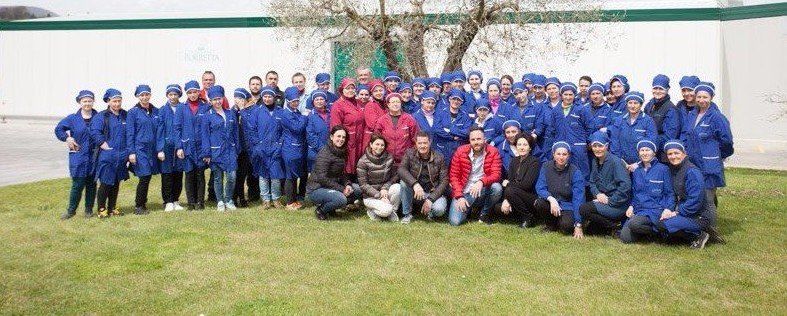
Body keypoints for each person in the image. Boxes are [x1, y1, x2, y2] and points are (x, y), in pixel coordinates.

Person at [681, 82, 733, 232]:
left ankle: (711, 230)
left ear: (711, 97)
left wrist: (717, 156)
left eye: (705, 97)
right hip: (693, 163)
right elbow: (686, 135)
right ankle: (699, 225)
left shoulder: (716, 117)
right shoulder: (692, 115)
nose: (701, 100)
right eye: (699, 96)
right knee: (696, 195)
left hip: (709, 166)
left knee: (708, 199)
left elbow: (727, 142)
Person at [663, 140, 717, 249]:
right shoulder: (675, 170)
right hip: (687, 212)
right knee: (665, 233)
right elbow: (673, 194)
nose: (673, 156)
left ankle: (700, 235)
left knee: (665, 225)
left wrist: (677, 213)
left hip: (699, 215)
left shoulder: (692, 171)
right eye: (670, 154)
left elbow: (696, 200)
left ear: (684, 153)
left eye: (676, 153)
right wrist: (668, 209)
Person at [619, 140, 674, 243]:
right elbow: (635, 193)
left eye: (647, 150)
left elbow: (669, 193)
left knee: (634, 224)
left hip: (656, 210)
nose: (644, 153)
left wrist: (668, 209)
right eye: (642, 150)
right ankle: (650, 234)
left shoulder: (663, 169)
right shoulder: (637, 171)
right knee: (625, 238)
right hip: (640, 209)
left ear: (654, 152)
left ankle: (658, 231)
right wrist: (631, 206)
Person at [55, 90, 98, 219]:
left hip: (94, 156)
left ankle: (88, 210)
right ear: (80, 102)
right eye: (84, 101)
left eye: (90, 101)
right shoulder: (72, 118)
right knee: (77, 185)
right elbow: (59, 129)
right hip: (78, 156)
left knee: (92, 185)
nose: (87, 103)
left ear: (93, 102)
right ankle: (71, 211)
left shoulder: (99, 117)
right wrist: (67, 138)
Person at [447, 127, 503, 226]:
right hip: (464, 191)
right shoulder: (460, 151)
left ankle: (484, 214)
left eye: (479, 139)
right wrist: (459, 196)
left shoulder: (493, 151)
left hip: (482, 189)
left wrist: (481, 182)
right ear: (469, 140)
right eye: (473, 139)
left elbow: (496, 174)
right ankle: (468, 209)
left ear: (484, 139)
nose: (476, 142)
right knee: (455, 222)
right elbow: (454, 176)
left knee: (496, 188)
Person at [579, 131, 631, 235]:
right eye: (594, 146)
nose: (597, 149)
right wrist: (598, 194)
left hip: (617, 204)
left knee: (584, 209)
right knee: (591, 231)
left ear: (606, 146)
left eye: (600, 146)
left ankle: (615, 226)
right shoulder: (595, 160)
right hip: (602, 199)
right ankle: (609, 226)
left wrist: (610, 200)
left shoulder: (615, 162)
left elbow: (626, 185)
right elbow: (592, 182)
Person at [306, 125, 362, 220]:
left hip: (331, 186)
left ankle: (331, 208)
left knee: (357, 189)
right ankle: (321, 210)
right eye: (338, 136)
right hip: (317, 188)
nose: (341, 139)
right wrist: (341, 189)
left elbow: (341, 173)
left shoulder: (341, 152)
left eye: (343, 137)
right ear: (332, 137)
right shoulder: (325, 153)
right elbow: (322, 178)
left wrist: (347, 184)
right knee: (341, 199)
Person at [91, 88, 130, 218]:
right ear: (108, 101)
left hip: (122, 155)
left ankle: (112, 207)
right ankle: (101, 208)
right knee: (106, 182)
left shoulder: (125, 115)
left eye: (119, 101)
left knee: (116, 182)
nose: (117, 104)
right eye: (114, 101)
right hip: (108, 155)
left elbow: (130, 133)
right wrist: (102, 143)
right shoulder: (102, 116)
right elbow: (95, 131)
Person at [534, 142, 586, 237]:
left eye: (564, 154)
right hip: (551, 203)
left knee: (567, 228)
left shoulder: (575, 172)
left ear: (569, 156)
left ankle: (563, 221)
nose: (561, 157)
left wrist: (578, 223)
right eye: (558, 154)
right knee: (540, 203)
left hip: (567, 205)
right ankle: (550, 225)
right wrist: (551, 198)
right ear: (553, 154)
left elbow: (579, 198)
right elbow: (540, 187)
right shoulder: (546, 167)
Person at [201, 85, 240, 211]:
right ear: (210, 101)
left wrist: (237, 148)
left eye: (219, 99)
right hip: (216, 151)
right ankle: (220, 201)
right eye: (214, 99)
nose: (217, 101)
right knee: (218, 178)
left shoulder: (230, 114)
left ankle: (228, 199)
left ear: (223, 99)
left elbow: (236, 133)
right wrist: (206, 153)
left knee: (232, 176)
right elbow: (205, 136)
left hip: (230, 151)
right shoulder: (207, 116)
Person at [398, 132, 449, 224]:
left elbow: (444, 181)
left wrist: (431, 199)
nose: (422, 146)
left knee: (439, 210)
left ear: (430, 142)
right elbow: (401, 169)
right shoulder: (409, 154)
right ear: (416, 144)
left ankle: (431, 212)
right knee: (403, 183)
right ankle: (407, 214)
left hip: (432, 193)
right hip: (415, 193)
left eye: (425, 143)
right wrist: (415, 184)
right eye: (420, 143)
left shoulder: (439, 157)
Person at [545, 82, 594, 179]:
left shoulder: (581, 109)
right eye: (565, 94)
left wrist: (585, 142)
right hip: (562, 148)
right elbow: (551, 129)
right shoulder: (555, 111)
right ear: (561, 95)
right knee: (563, 174)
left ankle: (582, 193)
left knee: (580, 173)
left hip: (578, 148)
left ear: (574, 95)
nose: (568, 97)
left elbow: (590, 127)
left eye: (570, 94)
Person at [175, 80, 210, 210]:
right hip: (187, 146)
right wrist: (179, 146)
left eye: (195, 92)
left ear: (198, 92)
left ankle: (200, 202)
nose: (193, 94)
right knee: (189, 174)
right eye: (190, 92)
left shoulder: (205, 107)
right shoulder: (181, 108)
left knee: (200, 174)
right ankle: (191, 202)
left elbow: (208, 128)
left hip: (201, 146)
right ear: (187, 94)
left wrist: (207, 149)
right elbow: (177, 128)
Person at [126, 84, 160, 215]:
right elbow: (130, 133)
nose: (144, 97)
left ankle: (143, 204)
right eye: (142, 95)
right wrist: (131, 152)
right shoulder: (133, 112)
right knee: (144, 176)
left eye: (147, 94)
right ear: (137, 96)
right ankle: (139, 206)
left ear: (150, 95)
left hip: (152, 150)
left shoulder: (156, 111)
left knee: (148, 176)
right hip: (140, 149)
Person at [500, 133, 541, 228]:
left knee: (510, 190)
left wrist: (509, 185)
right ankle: (519, 213)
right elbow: (510, 179)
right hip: (515, 194)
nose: (522, 147)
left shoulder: (535, 161)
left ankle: (528, 217)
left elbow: (527, 185)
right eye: (519, 145)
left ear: (530, 147)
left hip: (531, 197)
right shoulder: (514, 161)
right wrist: (506, 199)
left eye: (525, 145)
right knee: (499, 208)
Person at [357, 133, 401, 221]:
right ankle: (373, 211)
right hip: (370, 196)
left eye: (382, 145)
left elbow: (395, 176)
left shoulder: (389, 158)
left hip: (385, 192)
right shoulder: (363, 161)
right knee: (386, 210)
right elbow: (363, 185)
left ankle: (393, 211)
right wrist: (379, 196)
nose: (380, 147)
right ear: (371, 144)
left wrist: (385, 187)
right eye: (377, 144)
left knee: (398, 187)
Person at [609, 91, 657, 170]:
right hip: (621, 164)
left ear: (641, 105)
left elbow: (652, 143)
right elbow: (614, 142)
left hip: (641, 165)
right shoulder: (619, 120)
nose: (632, 106)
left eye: (636, 103)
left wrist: (638, 163)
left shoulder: (648, 121)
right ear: (626, 104)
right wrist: (621, 161)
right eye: (630, 103)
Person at [255, 85, 285, 209]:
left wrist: (280, 144)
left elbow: (285, 130)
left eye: (270, 96)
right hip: (261, 148)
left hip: (276, 148)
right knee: (263, 176)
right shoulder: (257, 111)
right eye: (265, 96)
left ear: (274, 97)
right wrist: (257, 146)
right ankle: (266, 199)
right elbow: (252, 130)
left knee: (275, 176)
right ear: (262, 98)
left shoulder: (280, 112)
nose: (267, 99)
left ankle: (276, 198)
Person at [156, 84, 185, 212]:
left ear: (179, 95)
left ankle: (176, 200)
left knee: (178, 174)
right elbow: (160, 131)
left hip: (180, 146)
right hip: (166, 146)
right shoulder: (162, 110)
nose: (173, 97)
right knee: (167, 175)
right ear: (167, 95)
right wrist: (160, 149)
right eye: (170, 94)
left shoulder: (183, 108)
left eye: (175, 94)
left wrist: (182, 145)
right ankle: (167, 201)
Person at [279, 86, 308, 211]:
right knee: (290, 175)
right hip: (289, 148)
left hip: (297, 148)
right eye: (292, 101)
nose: (295, 103)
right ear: (288, 101)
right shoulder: (285, 114)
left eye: (297, 101)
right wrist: (305, 117)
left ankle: (294, 200)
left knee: (295, 175)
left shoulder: (296, 112)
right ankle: (289, 202)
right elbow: (297, 128)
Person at [330, 78, 365, 178]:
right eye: (347, 88)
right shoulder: (338, 105)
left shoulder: (357, 102)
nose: (350, 90)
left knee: (357, 167)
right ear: (342, 90)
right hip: (346, 142)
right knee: (346, 167)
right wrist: (340, 142)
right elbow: (336, 127)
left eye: (352, 88)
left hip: (358, 141)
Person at [373, 93, 419, 165]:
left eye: (398, 102)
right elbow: (376, 138)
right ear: (388, 104)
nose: (395, 104)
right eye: (393, 102)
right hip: (386, 159)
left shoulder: (409, 119)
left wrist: (413, 155)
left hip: (405, 159)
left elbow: (416, 138)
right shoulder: (382, 120)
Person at [232, 87, 259, 208]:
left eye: (240, 98)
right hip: (235, 148)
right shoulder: (232, 111)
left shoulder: (251, 110)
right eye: (236, 98)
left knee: (243, 174)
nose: (237, 100)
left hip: (247, 148)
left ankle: (242, 198)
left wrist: (242, 109)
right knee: (234, 175)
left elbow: (250, 126)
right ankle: (233, 197)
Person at [644, 74, 679, 161]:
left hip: (661, 155)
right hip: (647, 150)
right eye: (655, 88)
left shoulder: (671, 109)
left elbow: (669, 136)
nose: (658, 91)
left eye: (661, 89)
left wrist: (651, 142)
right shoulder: (650, 105)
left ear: (667, 90)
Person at [433, 89, 471, 166]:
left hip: (457, 150)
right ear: (449, 99)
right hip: (442, 149)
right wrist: (452, 137)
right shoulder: (440, 112)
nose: (456, 101)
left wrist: (450, 130)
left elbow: (467, 132)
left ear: (462, 102)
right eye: (454, 98)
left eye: (458, 100)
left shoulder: (465, 116)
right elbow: (437, 129)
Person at [306, 89, 331, 172]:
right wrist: (322, 149)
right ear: (313, 102)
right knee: (316, 177)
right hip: (316, 152)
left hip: (330, 150)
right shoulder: (310, 116)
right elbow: (310, 135)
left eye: (321, 99)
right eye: (317, 99)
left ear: (325, 101)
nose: (319, 101)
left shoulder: (330, 114)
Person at [363, 79, 387, 151]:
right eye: (375, 91)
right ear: (372, 93)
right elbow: (372, 125)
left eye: (380, 90)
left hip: (382, 138)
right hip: (373, 139)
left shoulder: (385, 104)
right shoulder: (370, 105)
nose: (378, 93)